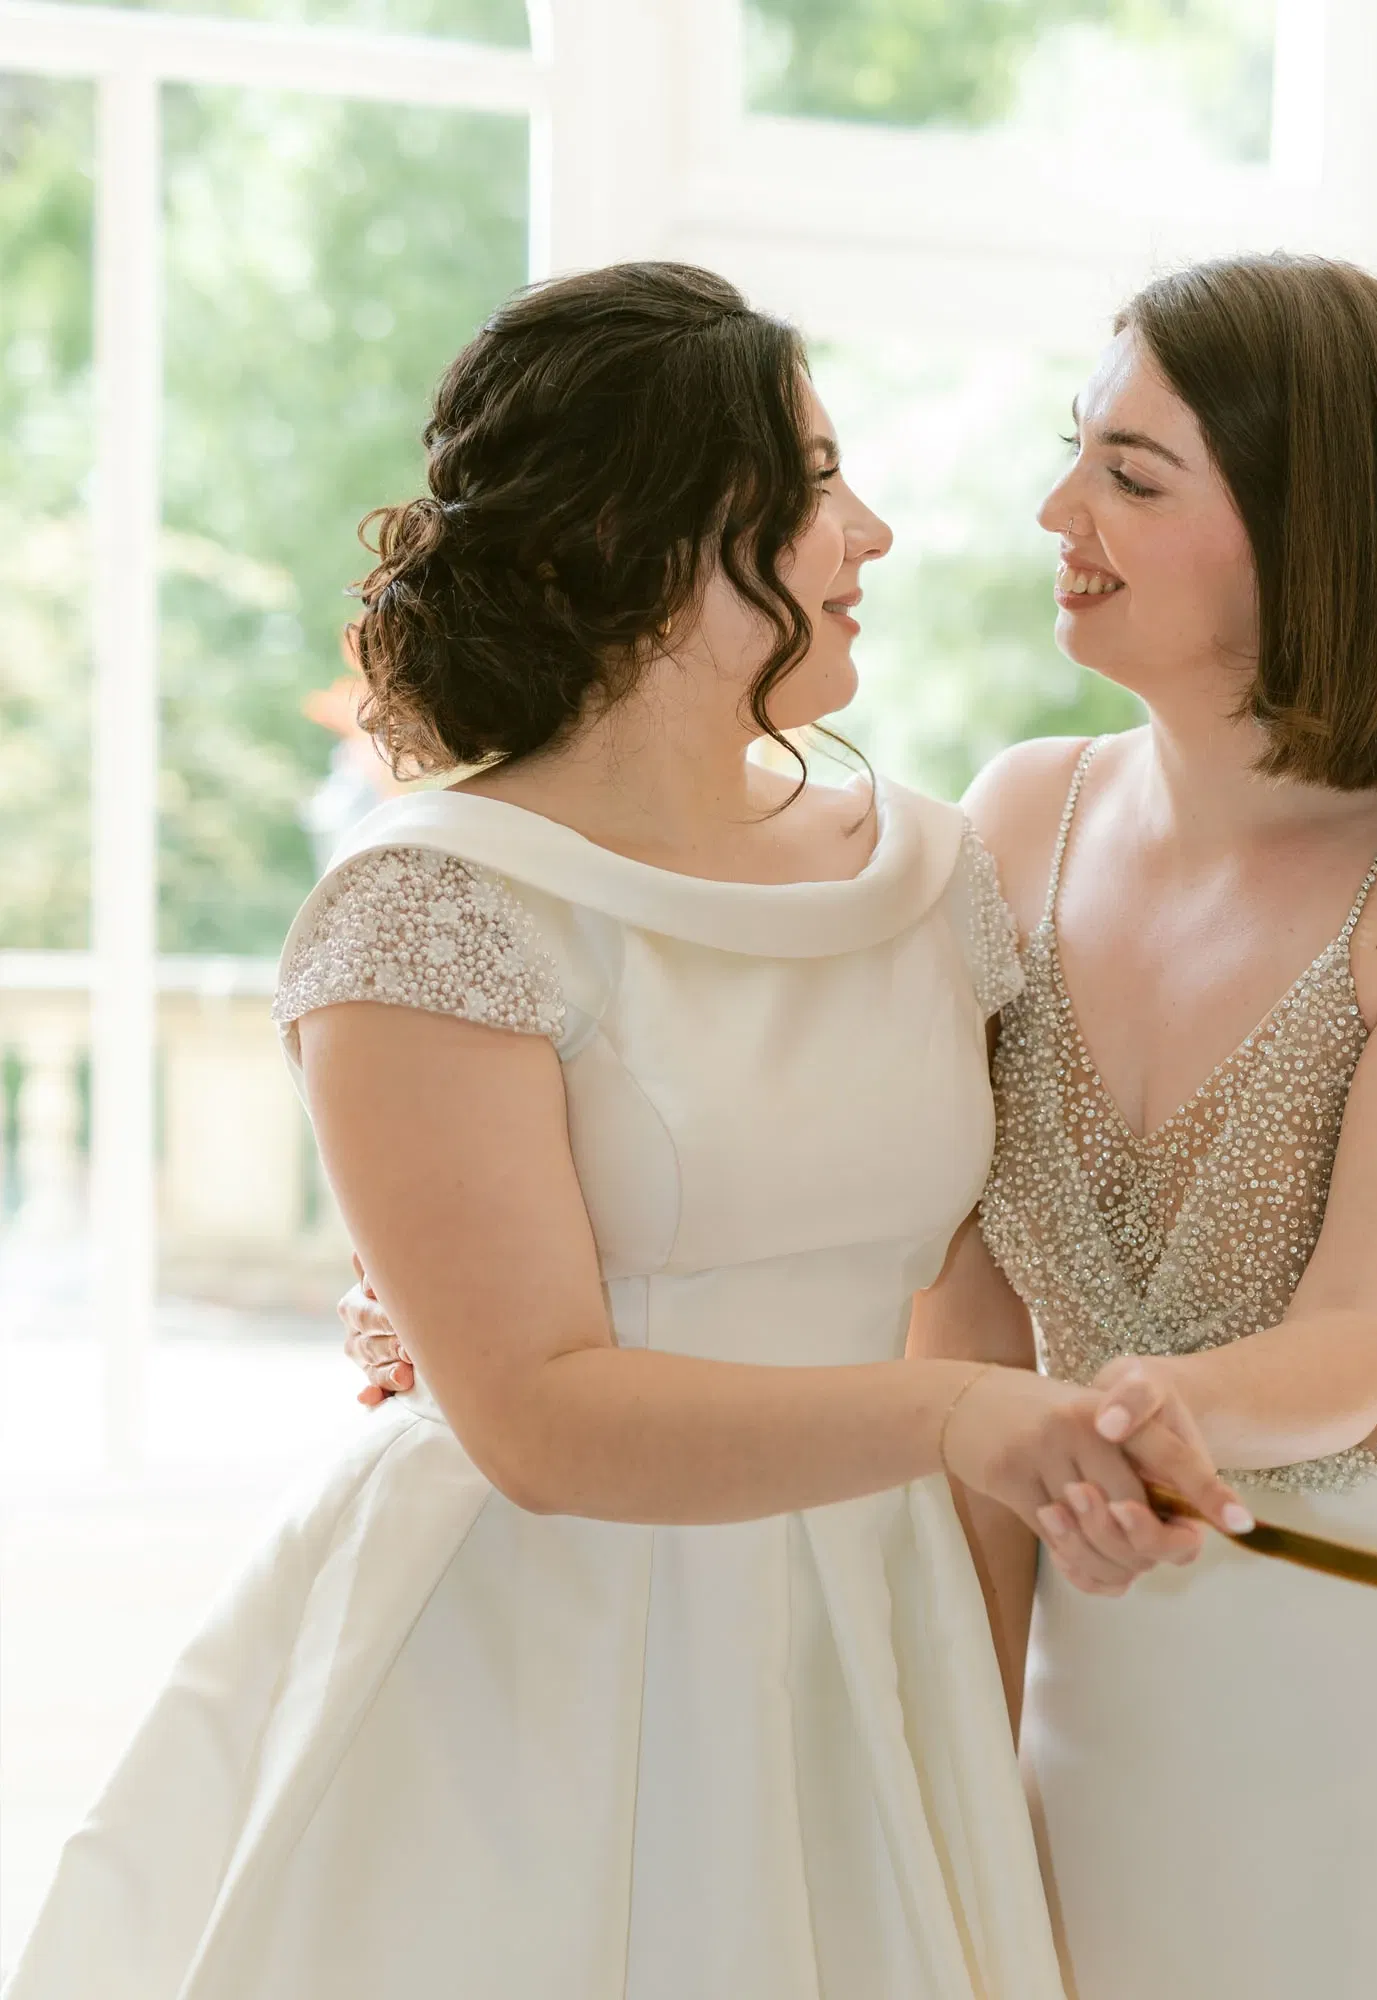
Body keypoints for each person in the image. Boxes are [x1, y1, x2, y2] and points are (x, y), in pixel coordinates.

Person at [2, 262, 1243, 2000]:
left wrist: (980, 1701)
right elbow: (537, 1416)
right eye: (815, 484)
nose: (871, 533)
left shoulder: (929, 870)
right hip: (535, 1658)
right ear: (636, 540)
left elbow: (969, 1307)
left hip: (865, 1640)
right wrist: (955, 1424)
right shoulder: (431, 907)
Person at [342, 255, 1377, 1997]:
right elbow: (947, 1295)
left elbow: (1367, 1337)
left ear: (1315, 529)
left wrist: (1097, 1425)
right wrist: (960, 1733)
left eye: (1132, 475)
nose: (1058, 510)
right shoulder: (1012, 819)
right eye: (1078, 453)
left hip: (1373, 1634)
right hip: (1081, 1628)